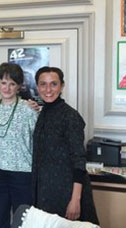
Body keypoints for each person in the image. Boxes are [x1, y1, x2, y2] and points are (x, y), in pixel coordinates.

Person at [32, 66, 99, 224]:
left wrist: (75, 200)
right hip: (46, 192)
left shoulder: (70, 116)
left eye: (53, 84)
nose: (48, 89)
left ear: (62, 86)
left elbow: (79, 160)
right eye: (43, 84)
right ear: (37, 87)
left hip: (68, 193)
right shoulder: (43, 113)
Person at [0, 63, 38, 228]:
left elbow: (37, 140)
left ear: (19, 86)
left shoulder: (29, 109)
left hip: (21, 171)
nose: (7, 88)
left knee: (22, 218)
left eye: (12, 84)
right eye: (4, 82)